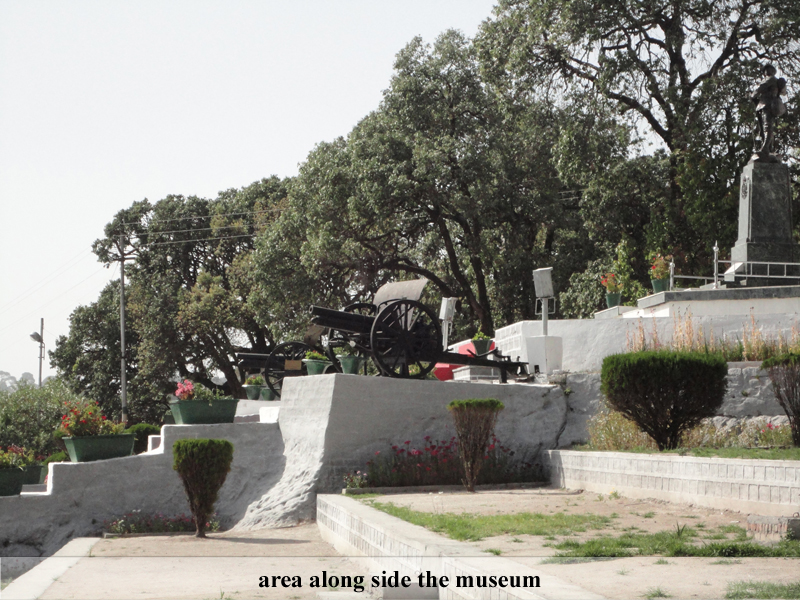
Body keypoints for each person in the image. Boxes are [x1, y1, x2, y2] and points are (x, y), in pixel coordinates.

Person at [751, 63, 787, 157]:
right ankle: (769, 148)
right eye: (765, 70)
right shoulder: (773, 80)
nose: (766, 71)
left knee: (767, 127)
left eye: (768, 69)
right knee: (766, 127)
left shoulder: (770, 79)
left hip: (767, 105)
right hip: (767, 105)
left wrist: (752, 95)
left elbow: (760, 88)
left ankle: (765, 148)